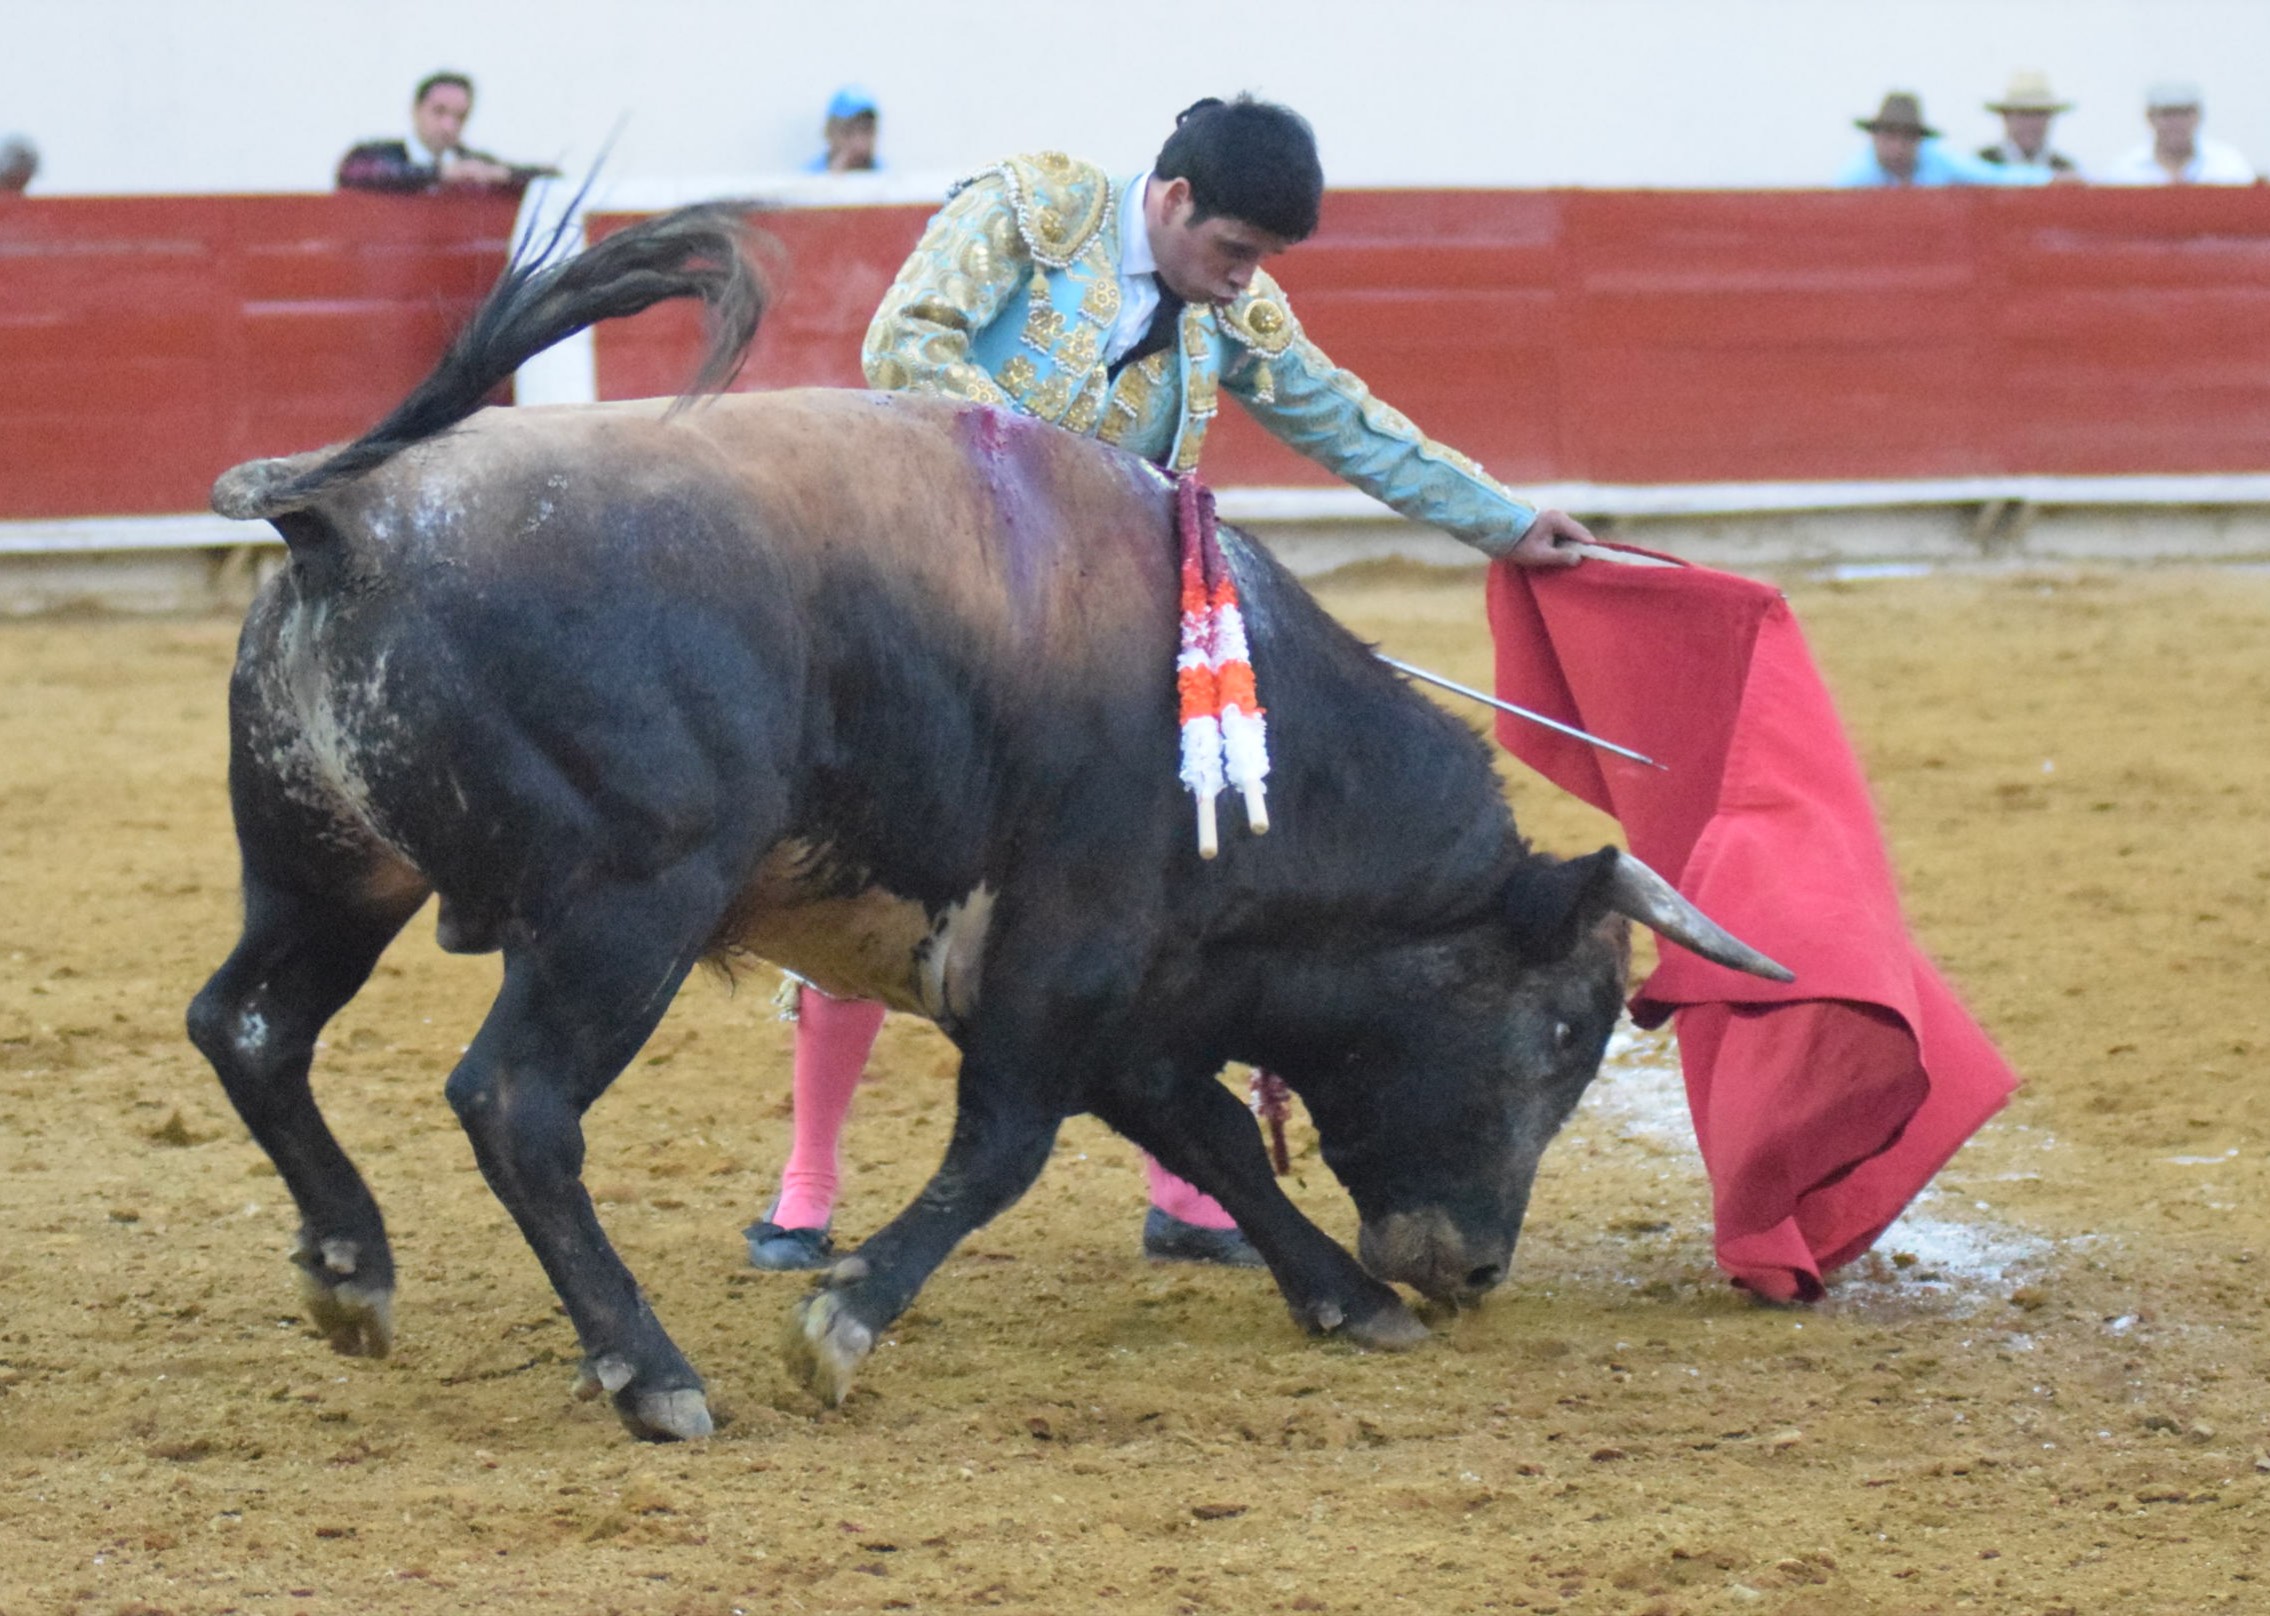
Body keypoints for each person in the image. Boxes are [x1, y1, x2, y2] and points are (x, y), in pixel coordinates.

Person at [745, 94, 1598, 1274]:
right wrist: (1076, 491)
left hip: (1094, 649)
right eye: (1234, 249)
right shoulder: (1035, 212)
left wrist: (1500, 521)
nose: (1244, 279)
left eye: (1264, 261)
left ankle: (1183, 1191)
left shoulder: (1232, 307)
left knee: (1189, 871)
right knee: (874, 875)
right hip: (927, 614)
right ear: (1174, 199)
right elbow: (906, 347)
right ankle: (806, 1185)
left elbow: (1343, 421)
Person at [336, 71, 552, 194]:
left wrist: (503, 175)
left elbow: (551, 179)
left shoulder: (472, 162)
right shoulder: (382, 154)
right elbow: (352, 171)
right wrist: (441, 174)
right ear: (416, 110)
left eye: (460, 117)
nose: (449, 126)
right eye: (439, 112)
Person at [1834, 91, 2049, 188]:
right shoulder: (1855, 178)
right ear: (1874, 138)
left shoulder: (1937, 160)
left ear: (1920, 141)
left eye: (1907, 138)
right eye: (1890, 136)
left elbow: (1993, 177)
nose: (1898, 147)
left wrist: (2048, 179)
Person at [2099, 81, 2256, 185]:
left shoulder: (2228, 165)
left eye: (2184, 114)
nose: (2176, 123)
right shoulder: (2124, 170)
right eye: (2167, 114)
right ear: (2150, 117)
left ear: (2198, 116)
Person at [1977, 70, 2081, 177]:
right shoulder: (1981, 165)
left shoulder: (2064, 169)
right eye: (2024, 114)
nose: (2031, 123)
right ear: (2005, 117)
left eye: (2039, 114)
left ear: (2050, 118)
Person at [803, 85, 881, 173]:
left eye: (867, 131)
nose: (859, 143)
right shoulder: (806, 179)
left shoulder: (886, 177)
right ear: (829, 133)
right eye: (848, 132)